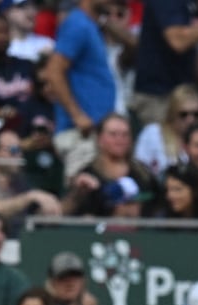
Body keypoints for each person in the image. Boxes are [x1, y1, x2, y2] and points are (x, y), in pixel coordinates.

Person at [132, 1, 198, 127]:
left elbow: (190, 48)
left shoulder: (189, 3)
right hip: (158, 97)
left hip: (183, 94)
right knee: (167, 144)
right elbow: (178, 41)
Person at [45, 0, 118, 182]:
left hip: (94, 133)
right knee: (82, 196)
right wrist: (77, 115)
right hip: (79, 134)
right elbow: (54, 71)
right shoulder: (77, 24)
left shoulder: (90, 25)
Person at [133, 84, 198, 177]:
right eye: (184, 114)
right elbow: (139, 168)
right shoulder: (153, 133)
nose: (190, 120)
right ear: (172, 113)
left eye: (196, 114)